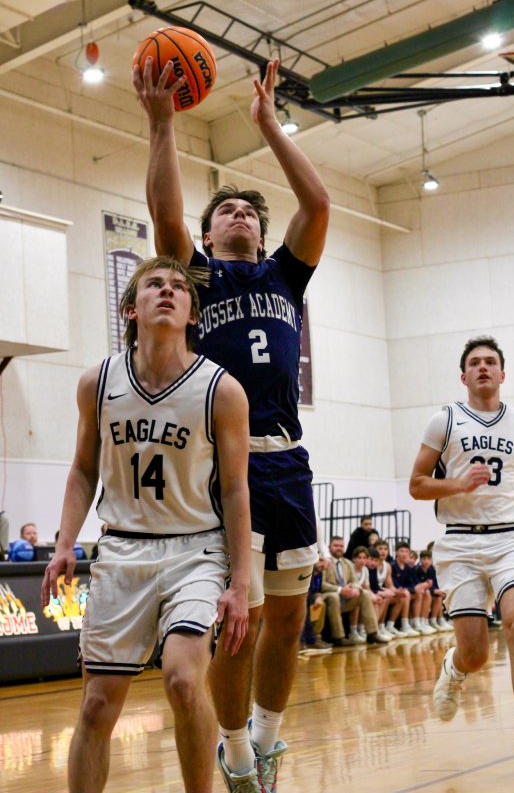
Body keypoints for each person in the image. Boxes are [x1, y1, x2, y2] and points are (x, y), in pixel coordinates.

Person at [134, 55, 329, 793]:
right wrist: (162, 126)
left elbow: (318, 204)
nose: (239, 216)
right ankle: (237, 754)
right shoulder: (200, 276)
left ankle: (267, 745)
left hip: (288, 461)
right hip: (226, 469)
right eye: (227, 212)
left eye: (249, 211)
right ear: (211, 236)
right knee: (241, 622)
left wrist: (267, 126)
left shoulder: (286, 275)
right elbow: (163, 214)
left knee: (286, 620)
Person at [40, 257, 251, 793]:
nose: (168, 291)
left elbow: (234, 490)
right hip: (122, 550)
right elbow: (84, 469)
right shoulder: (98, 381)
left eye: (179, 287)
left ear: (191, 314)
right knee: (94, 708)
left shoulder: (221, 391)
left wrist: (241, 582)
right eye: (154, 284)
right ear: (131, 308)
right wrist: (65, 544)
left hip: (196, 551)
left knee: (183, 680)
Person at [409, 335, 514, 773]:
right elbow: (417, 484)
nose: (483, 368)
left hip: (509, 539)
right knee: (477, 652)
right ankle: (455, 667)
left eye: (491, 362)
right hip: (459, 541)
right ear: (463, 376)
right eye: (475, 363)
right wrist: (457, 485)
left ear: (503, 373)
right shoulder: (444, 421)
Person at [321, 536, 389, 646]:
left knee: (365, 594)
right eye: (336, 545)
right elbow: (321, 584)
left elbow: (354, 581)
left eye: (341, 546)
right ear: (329, 547)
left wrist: (355, 589)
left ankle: (372, 633)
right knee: (334, 596)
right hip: (329, 598)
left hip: (345, 599)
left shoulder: (347, 563)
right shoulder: (325, 562)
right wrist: (340, 589)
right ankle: (339, 637)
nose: (339, 548)